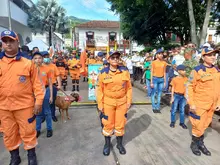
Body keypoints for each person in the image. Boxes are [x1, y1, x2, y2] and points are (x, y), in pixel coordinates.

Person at [0, 30, 44, 165]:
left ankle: (31, 156)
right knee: (9, 133)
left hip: (24, 106)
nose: (8, 44)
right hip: (4, 107)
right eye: (5, 41)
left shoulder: (28, 63)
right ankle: (15, 157)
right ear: (2, 43)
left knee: (28, 132)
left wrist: (39, 102)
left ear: (17, 42)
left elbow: (38, 84)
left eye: (11, 41)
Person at [186, 47, 220, 156]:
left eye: (214, 55)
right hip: (199, 105)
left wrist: (218, 102)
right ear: (203, 57)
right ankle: (194, 144)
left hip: (212, 105)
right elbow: (189, 87)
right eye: (210, 55)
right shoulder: (196, 70)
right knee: (198, 126)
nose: (213, 57)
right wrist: (191, 104)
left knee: (205, 125)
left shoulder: (217, 70)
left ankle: (200, 143)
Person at [97, 51, 132, 156]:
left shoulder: (124, 71)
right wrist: (100, 104)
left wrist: (129, 100)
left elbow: (129, 88)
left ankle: (119, 145)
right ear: (108, 60)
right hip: (108, 102)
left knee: (120, 124)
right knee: (107, 124)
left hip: (122, 102)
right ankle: (107, 145)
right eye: (113, 58)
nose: (115, 59)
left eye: (117, 57)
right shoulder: (103, 73)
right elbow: (100, 90)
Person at [33, 52, 53, 138]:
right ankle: (37, 130)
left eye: (39, 58)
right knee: (38, 112)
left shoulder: (47, 69)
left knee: (47, 111)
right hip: (35, 92)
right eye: (36, 58)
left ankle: (49, 129)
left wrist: (51, 96)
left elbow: (50, 83)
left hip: (45, 90)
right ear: (33, 59)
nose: (38, 60)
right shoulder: (31, 69)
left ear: (42, 59)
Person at [41, 51, 62, 122]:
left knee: (52, 102)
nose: (46, 58)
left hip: (52, 86)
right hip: (42, 87)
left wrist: (59, 85)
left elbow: (58, 75)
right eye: (44, 57)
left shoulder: (53, 66)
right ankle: (43, 116)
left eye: (47, 56)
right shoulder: (39, 66)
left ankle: (53, 115)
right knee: (42, 102)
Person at [170, 65, 188, 129]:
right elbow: (173, 88)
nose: (185, 71)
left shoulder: (186, 79)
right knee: (174, 109)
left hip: (183, 96)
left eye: (185, 70)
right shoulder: (175, 79)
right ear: (179, 71)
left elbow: (186, 88)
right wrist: (172, 97)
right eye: (183, 70)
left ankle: (182, 123)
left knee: (182, 110)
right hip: (176, 95)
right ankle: (172, 122)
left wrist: (187, 97)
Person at [150, 49, 167, 113]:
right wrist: (151, 82)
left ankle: (158, 107)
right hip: (155, 79)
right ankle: (154, 107)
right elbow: (151, 72)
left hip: (162, 79)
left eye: (162, 54)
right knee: (154, 93)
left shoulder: (164, 63)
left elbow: (164, 72)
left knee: (160, 94)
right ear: (157, 55)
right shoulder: (153, 62)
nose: (161, 55)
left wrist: (165, 81)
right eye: (159, 54)